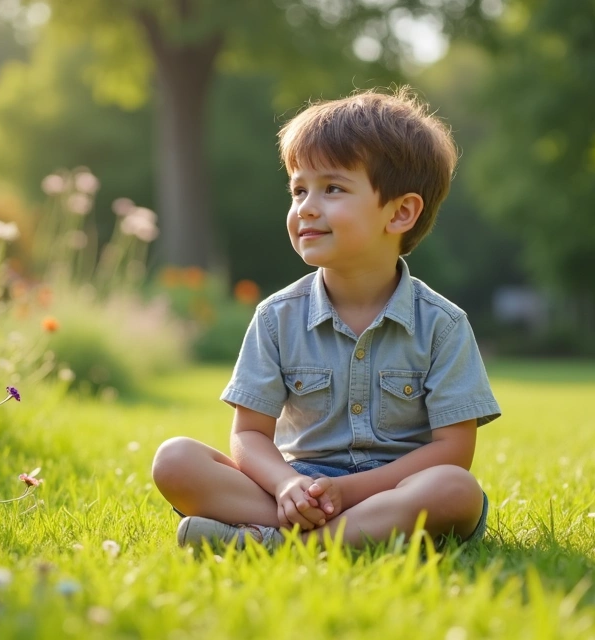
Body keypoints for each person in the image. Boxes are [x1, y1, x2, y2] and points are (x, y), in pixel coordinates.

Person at [151, 88, 502, 551]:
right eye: (299, 189)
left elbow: (453, 452)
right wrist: (284, 486)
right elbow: (250, 435)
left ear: (400, 212)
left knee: (454, 490)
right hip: (296, 489)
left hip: (394, 494)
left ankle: (280, 544)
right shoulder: (277, 317)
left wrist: (349, 493)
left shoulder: (443, 324)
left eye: (332, 188)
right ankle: (321, 537)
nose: (306, 207)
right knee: (174, 460)